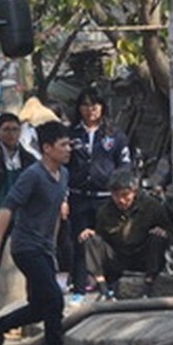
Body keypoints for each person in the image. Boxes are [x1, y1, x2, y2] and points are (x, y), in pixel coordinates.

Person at [0, 121, 81, 345]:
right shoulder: (33, 175)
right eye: (63, 145)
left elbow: (54, 216)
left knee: (41, 305)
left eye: (69, 144)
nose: (68, 149)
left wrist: (54, 249)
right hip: (25, 247)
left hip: (45, 247)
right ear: (47, 148)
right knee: (54, 298)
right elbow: (7, 208)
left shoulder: (64, 175)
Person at [64, 86, 131, 297]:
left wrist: (120, 192)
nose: (90, 109)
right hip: (78, 196)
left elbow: (124, 165)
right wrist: (63, 197)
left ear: (102, 107)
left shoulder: (115, 134)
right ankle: (80, 288)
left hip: (106, 198)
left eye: (94, 105)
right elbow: (64, 166)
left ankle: (110, 286)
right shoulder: (71, 135)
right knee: (81, 241)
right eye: (85, 105)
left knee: (107, 241)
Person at [78, 168, 172, 300]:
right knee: (90, 240)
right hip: (118, 257)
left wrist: (163, 231)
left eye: (125, 195)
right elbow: (101, 238)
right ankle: (103, 288)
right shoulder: (105, 211)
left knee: (157, 238)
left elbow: (169, 230)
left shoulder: (152, 206)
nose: (121, 200)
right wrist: (91, 234)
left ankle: (149, 287)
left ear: (134, 192)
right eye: (116, 196)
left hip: (143, 255)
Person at [0, 112, 37, 226]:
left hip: (23, 217)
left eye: (15, 129)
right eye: (6, 129)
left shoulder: (29, 159)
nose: (11, 134)